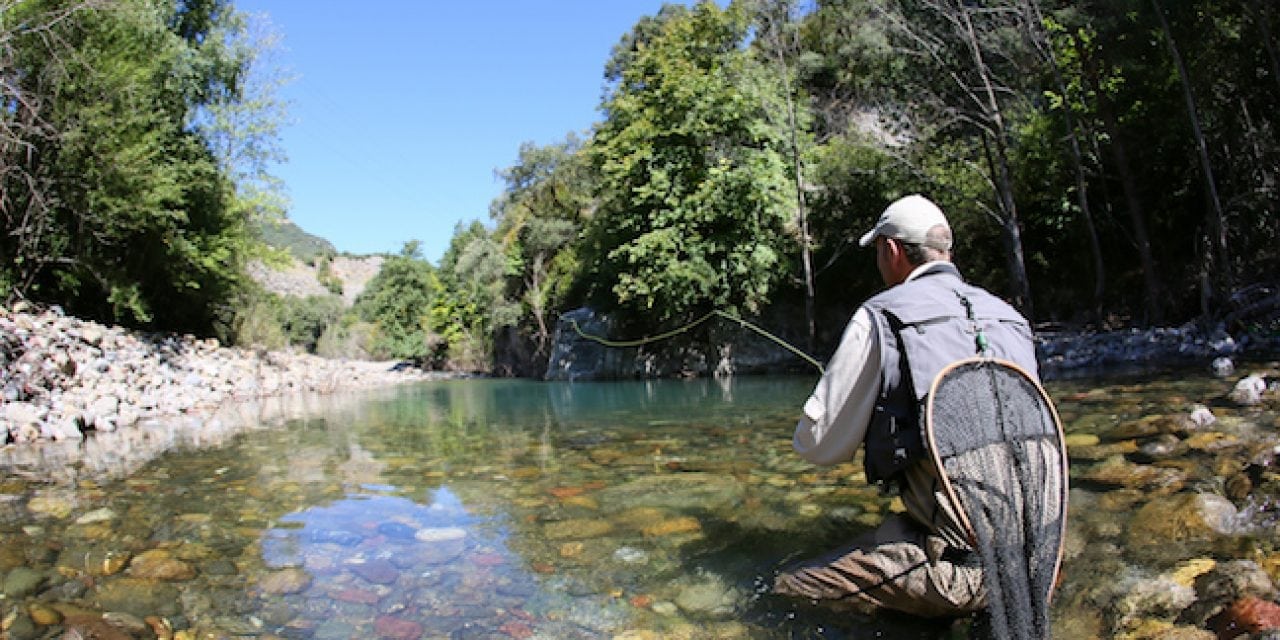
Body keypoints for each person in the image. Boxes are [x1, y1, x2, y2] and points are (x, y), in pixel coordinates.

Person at [773, 194, 1047, 620]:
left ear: (891, 250)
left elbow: (817, 445)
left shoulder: (882, 315)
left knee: (790, 585)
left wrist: (869, 418)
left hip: (971, 573)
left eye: (879, 252)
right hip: (1042, 559)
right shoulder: (1008, 316)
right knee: (895, 529)